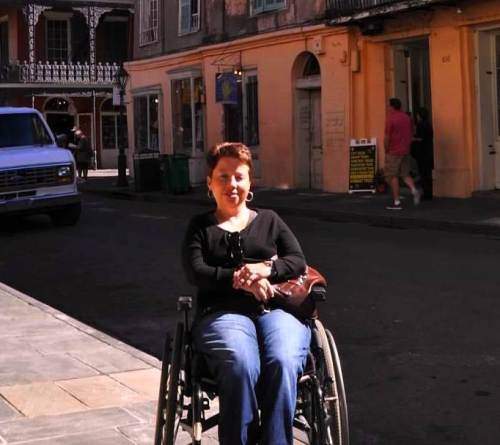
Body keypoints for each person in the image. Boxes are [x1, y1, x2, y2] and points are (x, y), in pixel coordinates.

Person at [182, 142, 311, 445]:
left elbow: (297, 261)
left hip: (275, 309)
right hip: (223, 313)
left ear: (250, 181)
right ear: (210, 183)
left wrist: (265, 270)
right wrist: (239, 278)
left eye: (239, 177)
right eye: (223, 177)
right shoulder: (200, 227)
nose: (232, 185)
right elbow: (195, 271)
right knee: (240, 363)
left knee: (282, 360)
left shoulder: (270, 220)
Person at [384, 97, 421, 210]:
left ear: (392, 107)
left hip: (394, 151)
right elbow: (412, 132)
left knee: (392, 175)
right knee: (405, 174)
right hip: (406, 150)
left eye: (388, 106)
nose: (388, 108)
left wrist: (386, 149)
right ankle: (414, 190)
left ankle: (396, 202)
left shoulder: (390, 119)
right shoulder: (407, 118)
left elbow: (387, 137)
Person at [412, 107, 434, 200]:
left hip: (422, 152)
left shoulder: (421, 125)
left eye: (417, 115)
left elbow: (420, 138)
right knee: (427, 173)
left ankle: (426, 194)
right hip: (428, 151)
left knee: (423, 173)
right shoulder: (429, 124)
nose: (416, 117)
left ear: (420, 116)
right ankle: (428, 193)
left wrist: (413, 139)